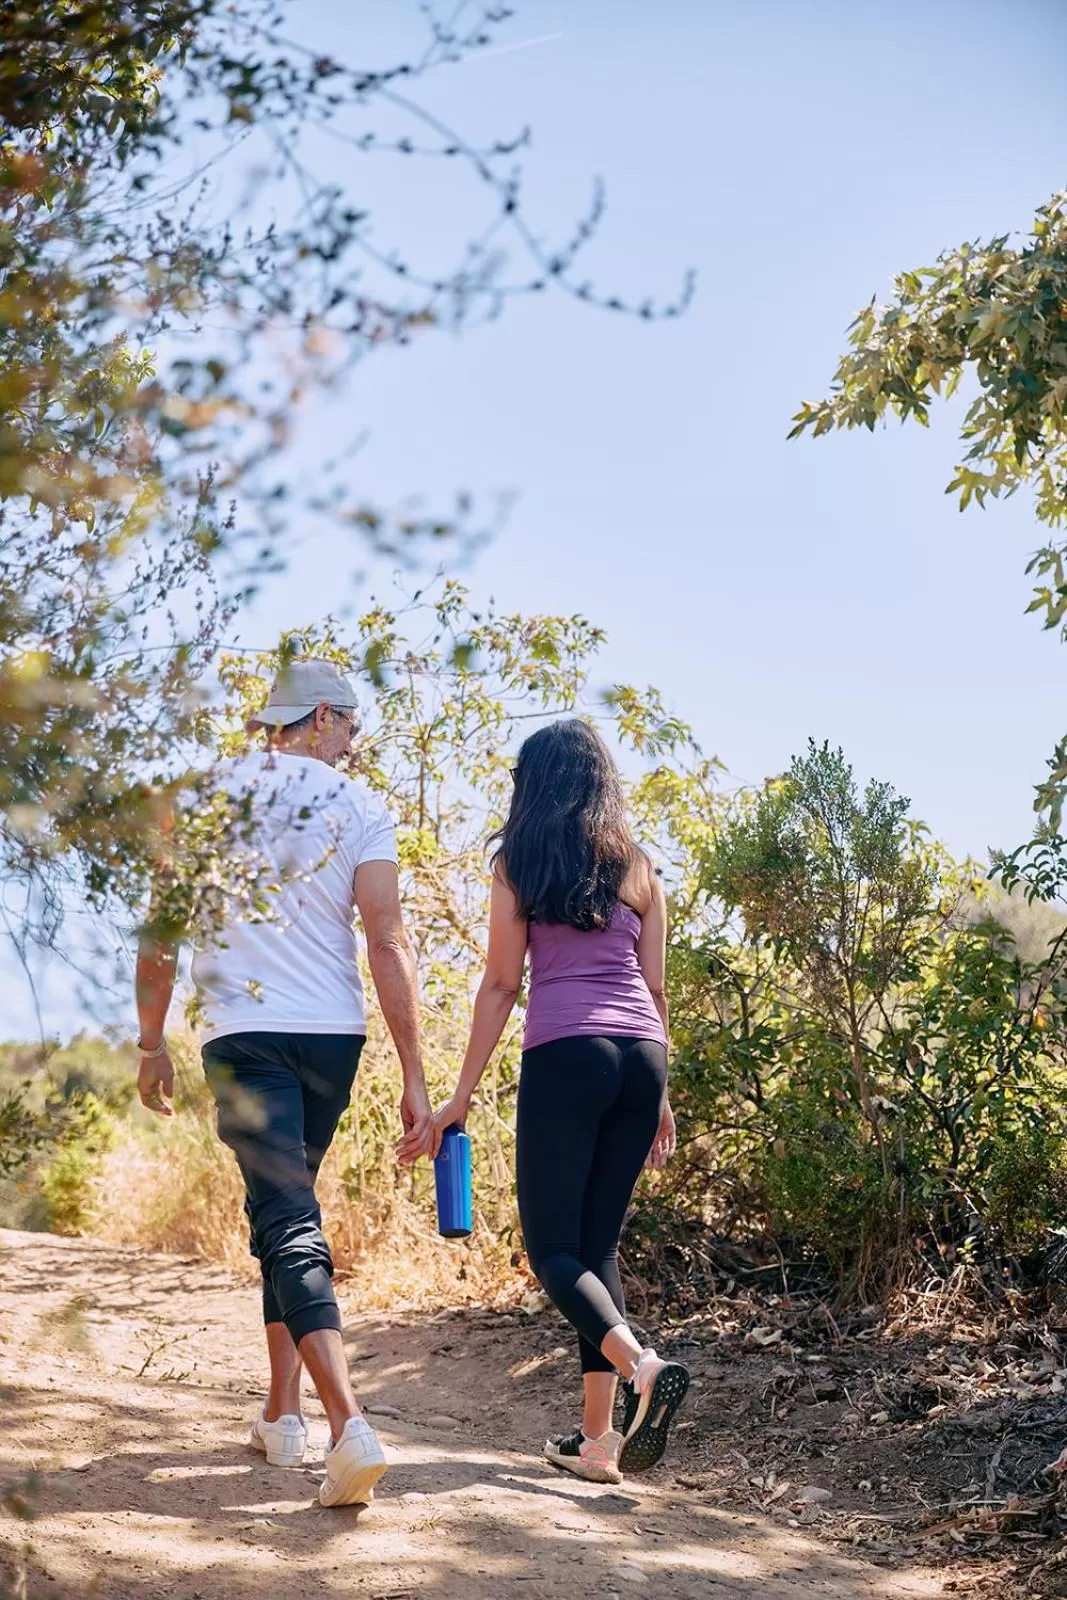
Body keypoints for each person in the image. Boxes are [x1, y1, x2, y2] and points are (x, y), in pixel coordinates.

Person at [134, 658, 438, 1508]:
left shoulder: (202, 796)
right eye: (351, 725)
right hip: (330, 1040)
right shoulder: (362, 806)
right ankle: (282, 1414)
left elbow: (158, 937)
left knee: (286, 1217)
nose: (353, 743)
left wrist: (150, 1041)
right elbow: (386, 938)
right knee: (284, 1210)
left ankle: (349, 1427)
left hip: (244, 1039)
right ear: (317, 718)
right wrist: (415, 1074)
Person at [434, 718, 688, 1485]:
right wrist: (662, 1096)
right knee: (595, 1250)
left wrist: (459, 1097)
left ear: (531, 785)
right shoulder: (638, 868)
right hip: (640, 1061)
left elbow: (503, 985)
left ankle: (643, 1368)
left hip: (566, 1053)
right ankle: (598, 1443)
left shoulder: (520, 863)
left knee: (551, 1251)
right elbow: (654, 991)